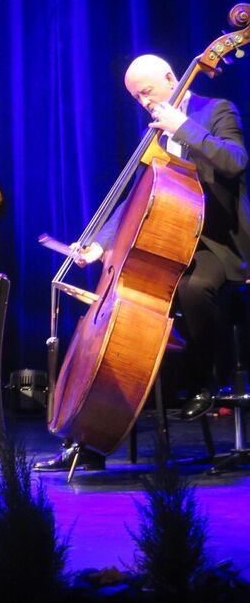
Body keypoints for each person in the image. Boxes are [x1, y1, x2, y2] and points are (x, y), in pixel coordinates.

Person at [37, 54, 248, 472]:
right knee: (127, 337)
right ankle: (90, 438)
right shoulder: (154, 136)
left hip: (217, 244)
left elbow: (235, 161)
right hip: (170, 245)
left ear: (171, 78)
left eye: (147, 92)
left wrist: (183, 128)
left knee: (193, 288)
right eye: (137, 98)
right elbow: (139, 197)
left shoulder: (215, 110)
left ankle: (207, 378)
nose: (145, 103)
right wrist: (99, 244)